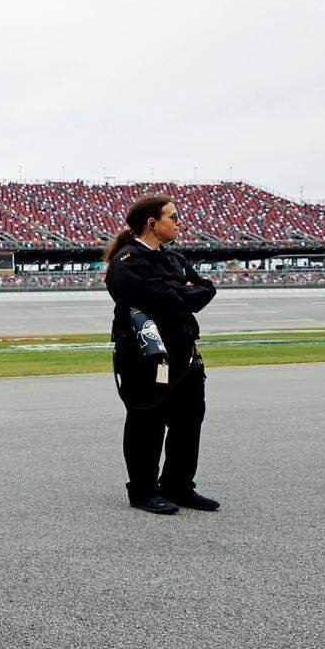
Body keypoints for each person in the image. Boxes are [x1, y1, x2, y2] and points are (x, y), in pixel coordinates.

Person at [104, 195, 221, 515]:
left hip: (185, 354)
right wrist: (180, 290)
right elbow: (160, 297)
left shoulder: (174, 258)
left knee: (189, 420)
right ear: (151, 223)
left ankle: (178, 486)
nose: (178, 222)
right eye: (173, 217)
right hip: (146, 356)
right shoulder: (127, 261)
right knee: (147, 421)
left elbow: (204, 290)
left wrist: (179, 291)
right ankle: (143, 491)